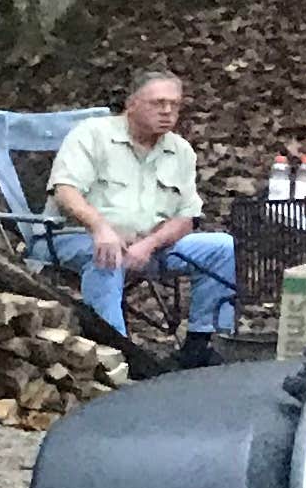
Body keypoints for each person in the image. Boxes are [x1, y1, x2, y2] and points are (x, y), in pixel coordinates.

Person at [48, 68, 235, 369]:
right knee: (108, 256)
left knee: (222, 247)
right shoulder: (93, 134)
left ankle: (199, 347)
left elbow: (187, 217)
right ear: (131, 104)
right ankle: (117, 357)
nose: (167, 112)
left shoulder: (180, 151)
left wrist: (149, 244)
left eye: (174, 105)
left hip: (150, 246)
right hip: (79, 237)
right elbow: (65, 191)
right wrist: (101, 229)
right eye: (158, 103)